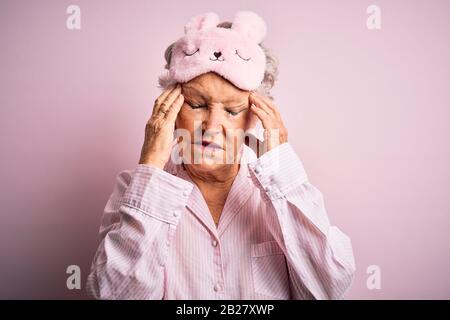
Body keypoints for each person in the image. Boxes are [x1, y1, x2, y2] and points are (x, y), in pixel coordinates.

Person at [86, 11, 355, 300]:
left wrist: (282, 169)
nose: (212, 127)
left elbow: (328, 289)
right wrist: (151, 164)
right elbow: (112, 295)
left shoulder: (283, 195)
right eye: (197, 104)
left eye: (232, 110)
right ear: (169, 109)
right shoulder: (133, 190)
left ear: (255, 115)